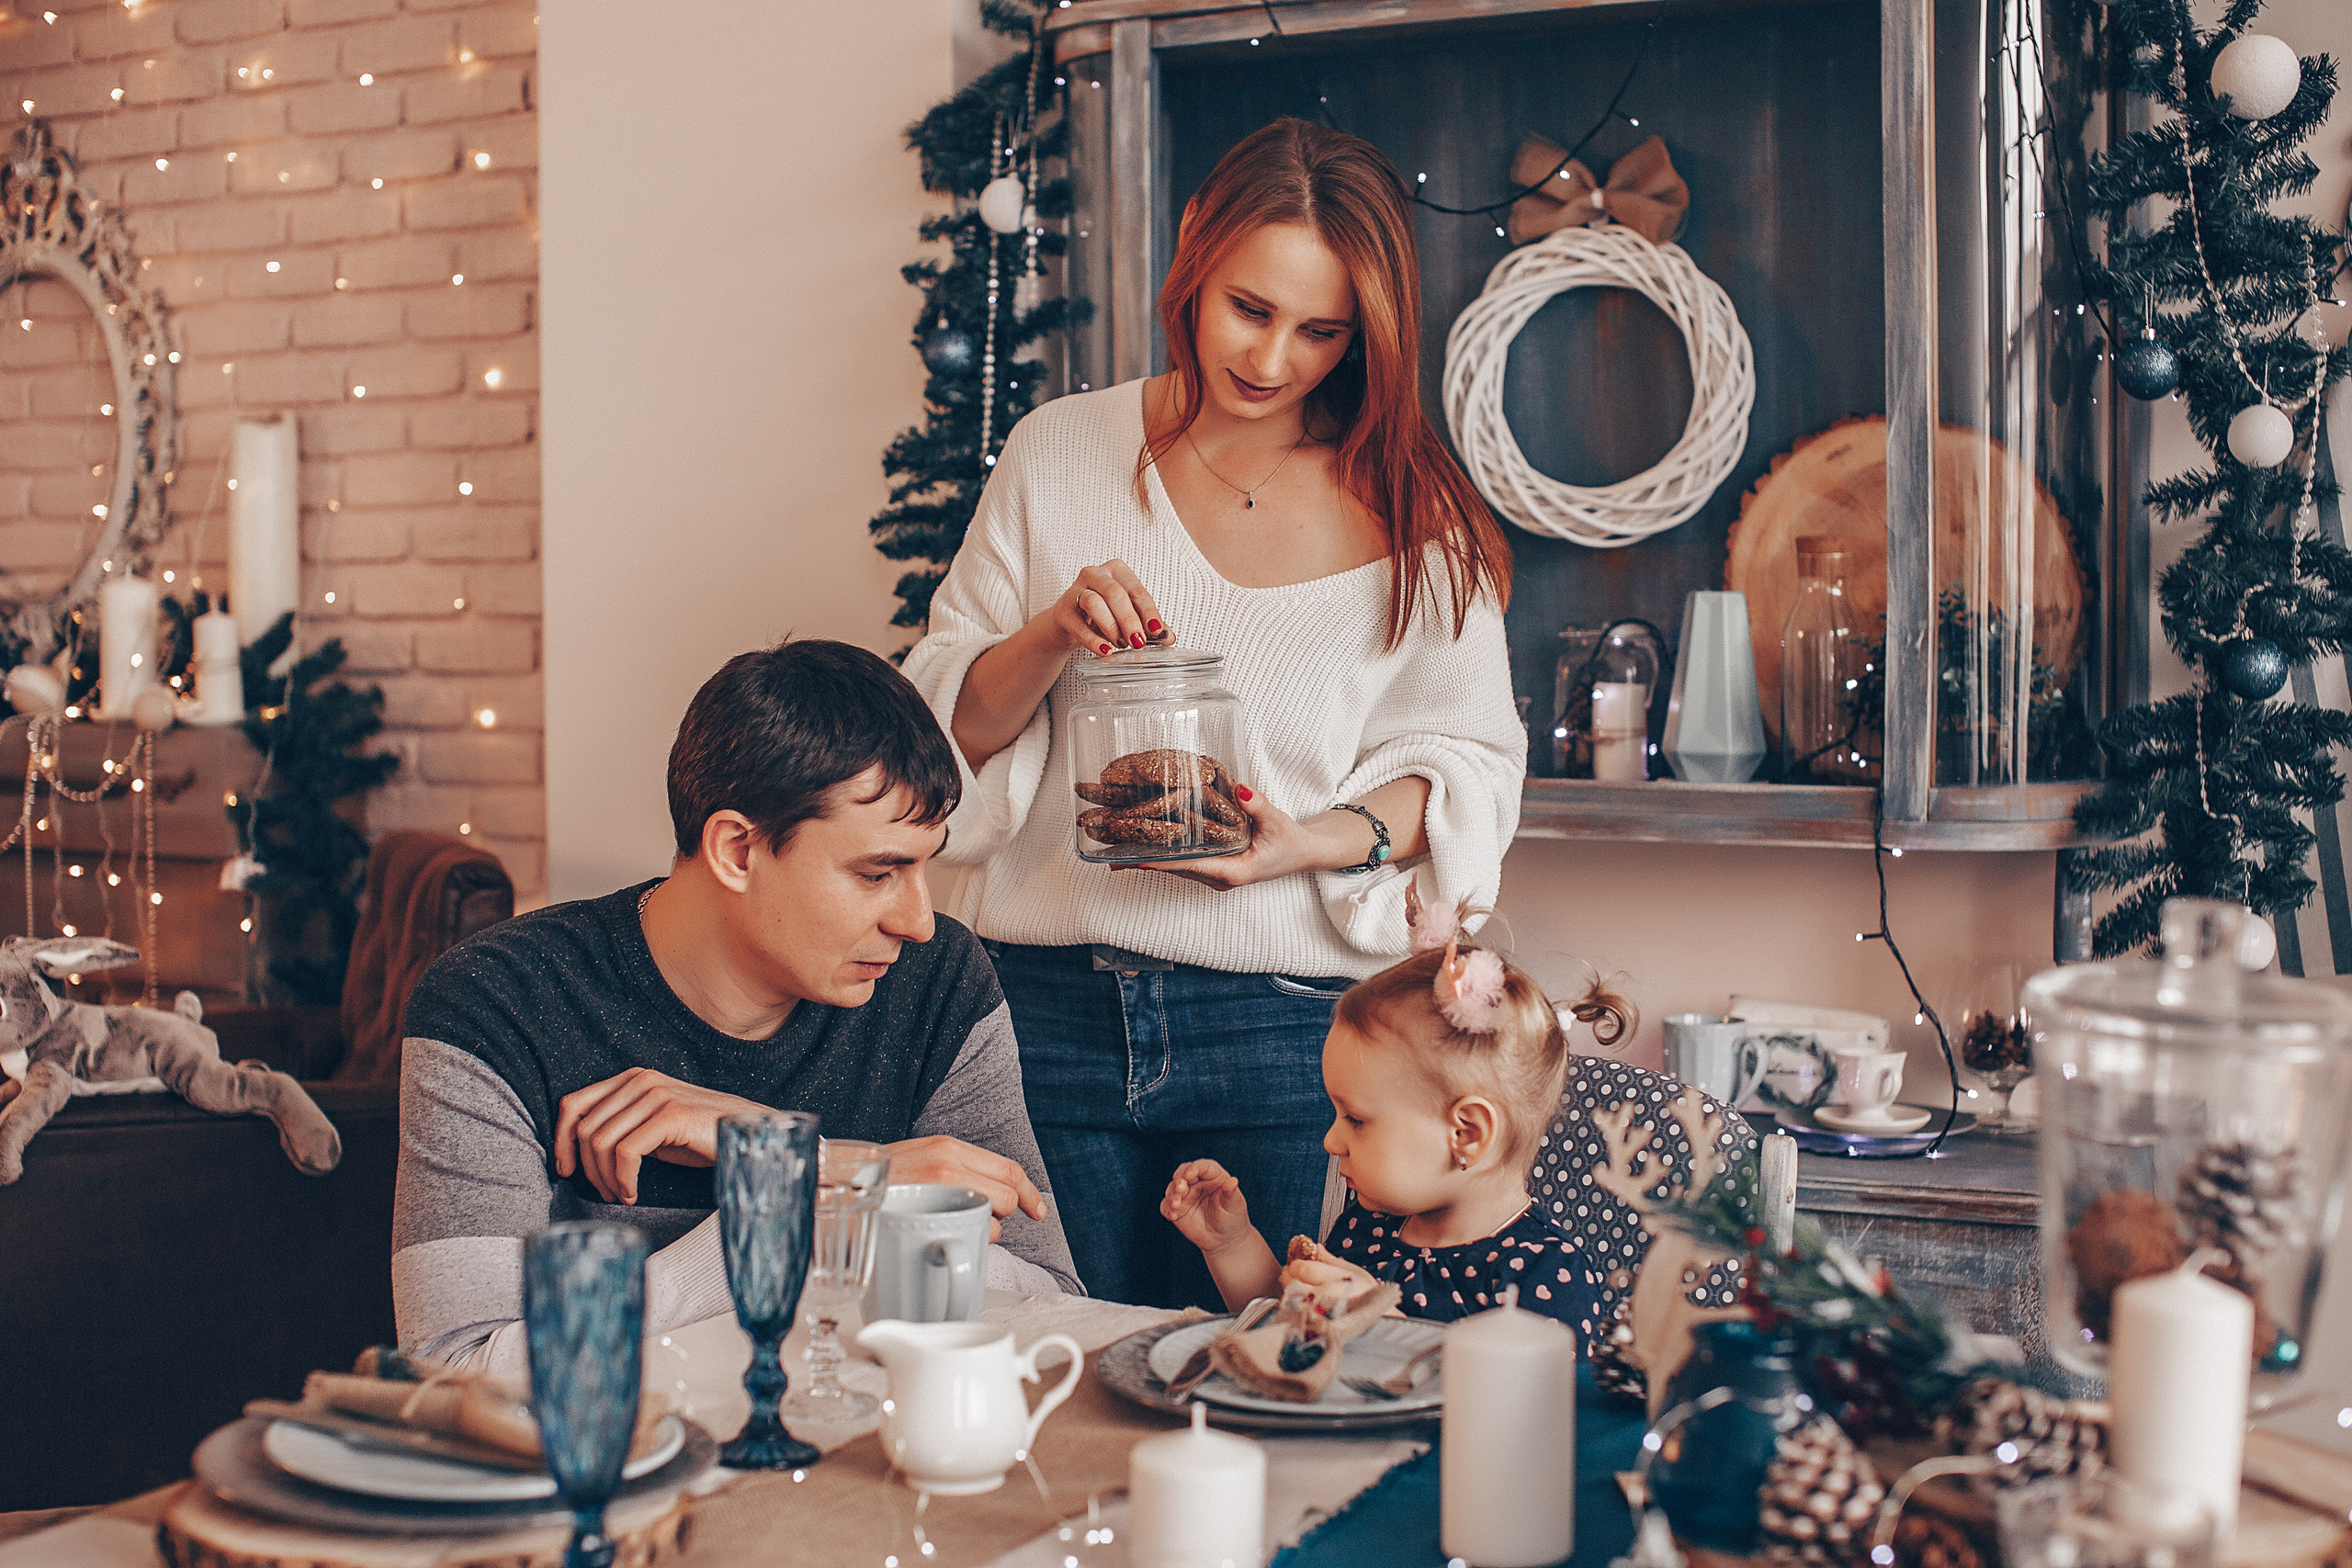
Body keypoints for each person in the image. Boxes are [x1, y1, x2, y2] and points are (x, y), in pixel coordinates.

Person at [901, 118, 1524, 1309]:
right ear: (1194, 255)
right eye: (1250, 307)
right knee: (1054, 1380)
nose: (1275, 357)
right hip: (1040, 1007)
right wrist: (1046, 634)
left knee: (1265, 1381)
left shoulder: (1410, 505)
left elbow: (1460, 761)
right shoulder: (1060, 452)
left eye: (1322, 330)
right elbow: (940, 732)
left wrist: (1306, 841)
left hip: (1282, 1029)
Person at [391, 640, 1080, 1372]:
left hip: (852, 1458)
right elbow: (454, 1371)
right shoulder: (497, 1004)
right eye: (880, 871)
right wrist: (809, 1200)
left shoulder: (937, 981)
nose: (916, 920)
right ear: (738, 850)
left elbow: (1047, 1299)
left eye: (924, 866)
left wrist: (794, 1163)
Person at [1159, 902, 1624, 1343]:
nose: (1331, 1141)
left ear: (1467, 1134)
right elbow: (1291, 1327)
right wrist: (1231, 1244)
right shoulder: (1369, 1227)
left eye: (1356, 1120)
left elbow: (1533, 1416)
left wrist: (1383, 1324)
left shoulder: (1545, 1277)